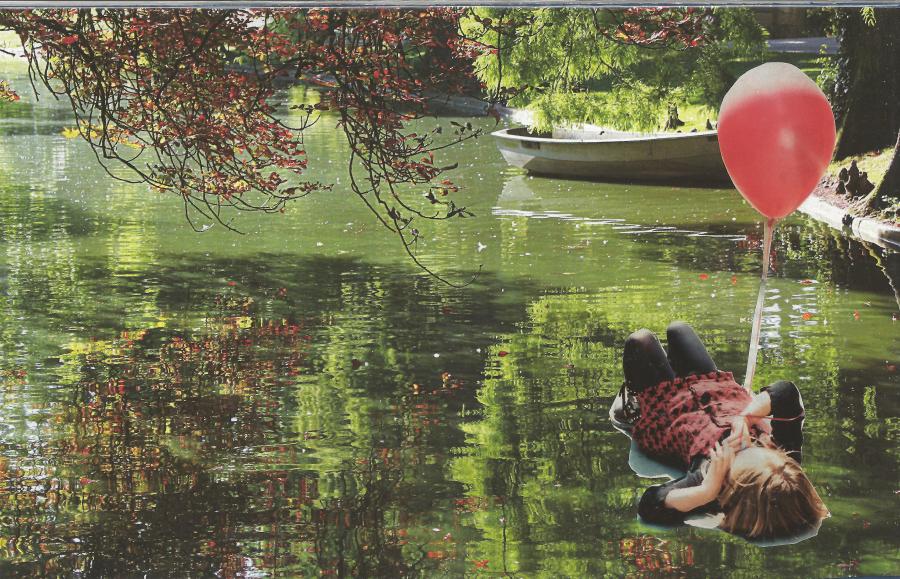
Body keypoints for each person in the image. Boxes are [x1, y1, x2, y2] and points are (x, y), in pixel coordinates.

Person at [611, 322, 829, 540]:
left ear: (732, 487)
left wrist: (705, 490)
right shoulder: (786, 455)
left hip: (668, 405)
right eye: (756, 448)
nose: (745, 444)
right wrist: (746, 417)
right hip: (712, 386)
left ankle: (635, 400)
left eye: (738, 454)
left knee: (640, 340)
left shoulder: (711, 478)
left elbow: (650, 505)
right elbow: (786, 392)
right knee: (678, 329)